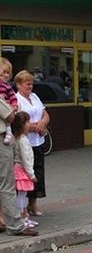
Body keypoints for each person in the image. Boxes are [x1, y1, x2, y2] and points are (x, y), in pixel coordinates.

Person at [14, 70, 50, 217]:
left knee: (38, 172)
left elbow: (45, 113)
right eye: (27, 84)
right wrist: (31, 126)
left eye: (32, 84)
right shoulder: (16, 99)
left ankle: (33, 204)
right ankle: (21, 208)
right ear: (19, 84)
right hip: (25, 143)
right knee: (25, 174)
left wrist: (42, 123)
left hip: (38, 141)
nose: (30, 87)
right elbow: (17, 120)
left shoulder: (34, 97)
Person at [1, 99, 38, 236]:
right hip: (20, 167)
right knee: (11, 190)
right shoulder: (22, 140)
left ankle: (14, 218)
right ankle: (17, 222)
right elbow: (10, 116)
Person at [11, 111, 38, 228]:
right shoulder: (23, 141)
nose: (29, 124)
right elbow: (26, 158)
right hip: (22, 171)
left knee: (23, 195)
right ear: (21, 124)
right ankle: (21, 217)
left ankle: (24, 216)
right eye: (27, 121)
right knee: (22, 196)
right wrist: (31, 174)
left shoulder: (18, 138)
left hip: (20, 169)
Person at [0, 57, 18, 144]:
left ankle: (9, 133)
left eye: (8, 72)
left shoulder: (7, 86)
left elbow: (12, 97)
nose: (6, 75)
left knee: (7, 121)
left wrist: (14, 105)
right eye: (4, 72)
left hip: (8, 107)